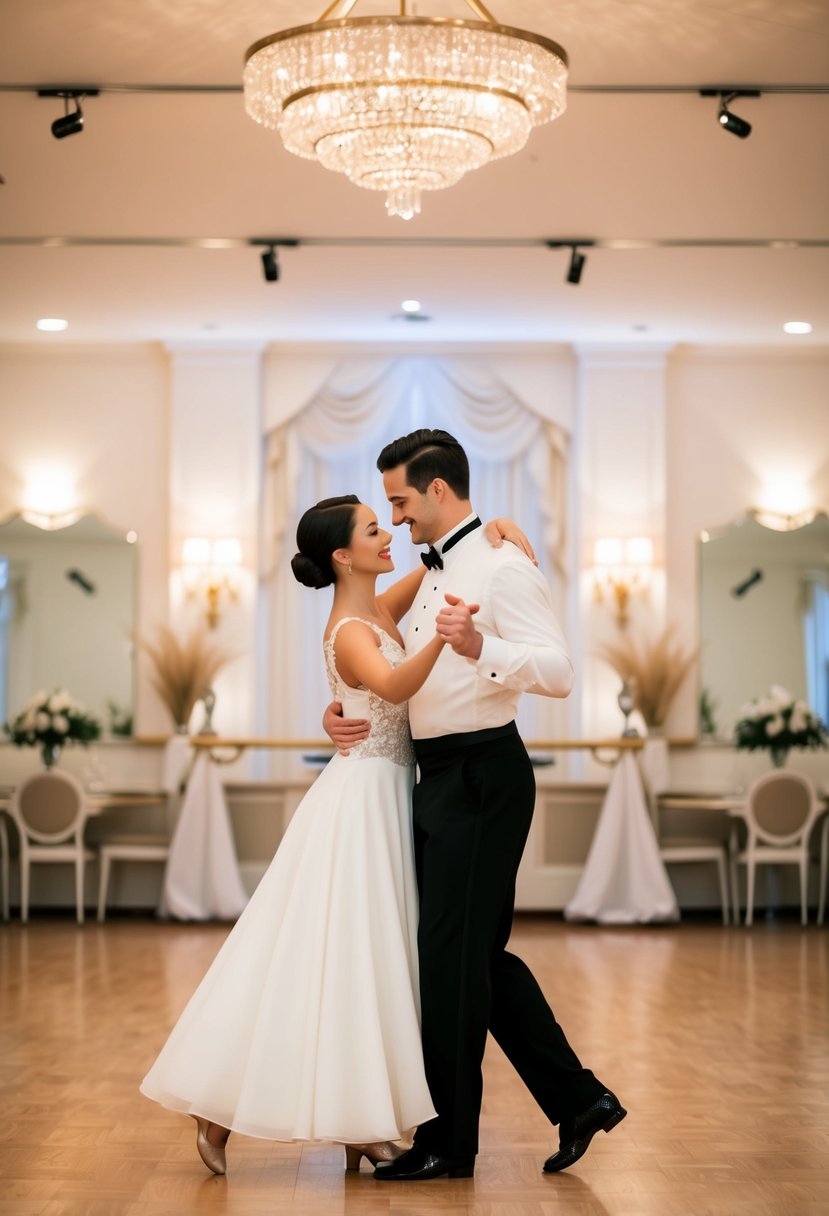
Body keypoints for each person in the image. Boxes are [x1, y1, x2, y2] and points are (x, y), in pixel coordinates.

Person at [140, 494, 529, 1176]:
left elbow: (448, 567)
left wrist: (493, 529)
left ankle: (357, 1117)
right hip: (359, 803)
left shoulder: (377, 608)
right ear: (342, 555)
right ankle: (222, 1105)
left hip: (388, 795)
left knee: (369, 961)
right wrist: (444, 634)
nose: (389, 537)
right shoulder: (352, 627)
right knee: (335, 956)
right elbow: (397, 686)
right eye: (374, 531)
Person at [324, 430, 626, 1181]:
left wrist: (478, 648)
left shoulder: (502, 562)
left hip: (483, 777)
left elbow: (558, 671)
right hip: (433, 777)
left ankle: (447, 1145)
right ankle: (578, 1099)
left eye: (398, 500)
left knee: (452, 963)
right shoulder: (429, 572)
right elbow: (367, 652)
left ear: (435, 490)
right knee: (467, 960)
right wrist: (336, 714)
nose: (393, 519)